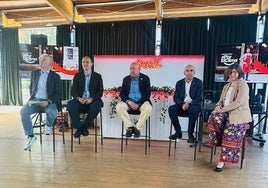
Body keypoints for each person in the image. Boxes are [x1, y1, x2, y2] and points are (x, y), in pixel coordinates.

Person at [207, 63, 252, 172]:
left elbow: (239, 102)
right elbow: (220, 101)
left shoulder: (243, 84)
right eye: (230, 72)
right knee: (213, 117)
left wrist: (222, 110)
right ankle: (219, 139)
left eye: (235, 72)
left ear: (239, 73)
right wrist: (217, 107)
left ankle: (222, 161)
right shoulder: (226, 86)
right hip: (226, 113)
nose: (232, 74)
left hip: (238, 115)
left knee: (229, 132)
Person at [20, 54, 61, 150]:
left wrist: (48, 101)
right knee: (23, 111)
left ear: (50, 63)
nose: (40, 63)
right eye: (40, 60)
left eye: (43, 61)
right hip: (35, 101)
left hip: (48, 102)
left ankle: (48, 125)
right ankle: (31, 136)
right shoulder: (34, 73)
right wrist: (33, 99)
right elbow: (32, 88)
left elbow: (58, 94)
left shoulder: (55, 76)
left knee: (52, 112)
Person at [67, 56, 103, 138]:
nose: (85, 64)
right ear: (82, 64)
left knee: (96, 106)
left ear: (91, 64)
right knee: (70, 105)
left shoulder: (98, 76)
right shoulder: (77, 76)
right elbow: (73, 91)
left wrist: (91, 99)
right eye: (83, 62)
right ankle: (79, 127)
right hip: (80, 101)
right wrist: (79, 98)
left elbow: (100, 92)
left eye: (87, 62)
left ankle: (85, 127)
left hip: (92, 102)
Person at [116, 62, 152, 138]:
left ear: (139, 69)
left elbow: (147, 94)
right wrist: (129, 102)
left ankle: (137, 129)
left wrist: (138, 104)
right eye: (131, 68)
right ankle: (130, 127)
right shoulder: (126, 79)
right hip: (129, 103)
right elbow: (122, 94)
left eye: (134, 69)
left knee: (148, 108)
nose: (132, 70)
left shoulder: (145, 78)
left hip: (141, 103)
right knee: (119, 107)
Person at [168, 64, 203, 143]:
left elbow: (199, 98)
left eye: (191, 70)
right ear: (184, 72)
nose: (189, 72)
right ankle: (178, 132)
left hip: (193, 106)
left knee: (193, 109)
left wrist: (189, 104)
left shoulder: (199, 82)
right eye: (187, 71)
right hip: (182, 105)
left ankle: (190, 134)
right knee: (172, 109)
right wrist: (183, 104)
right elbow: (176, 98)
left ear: (194, 72)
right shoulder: (179, 83)